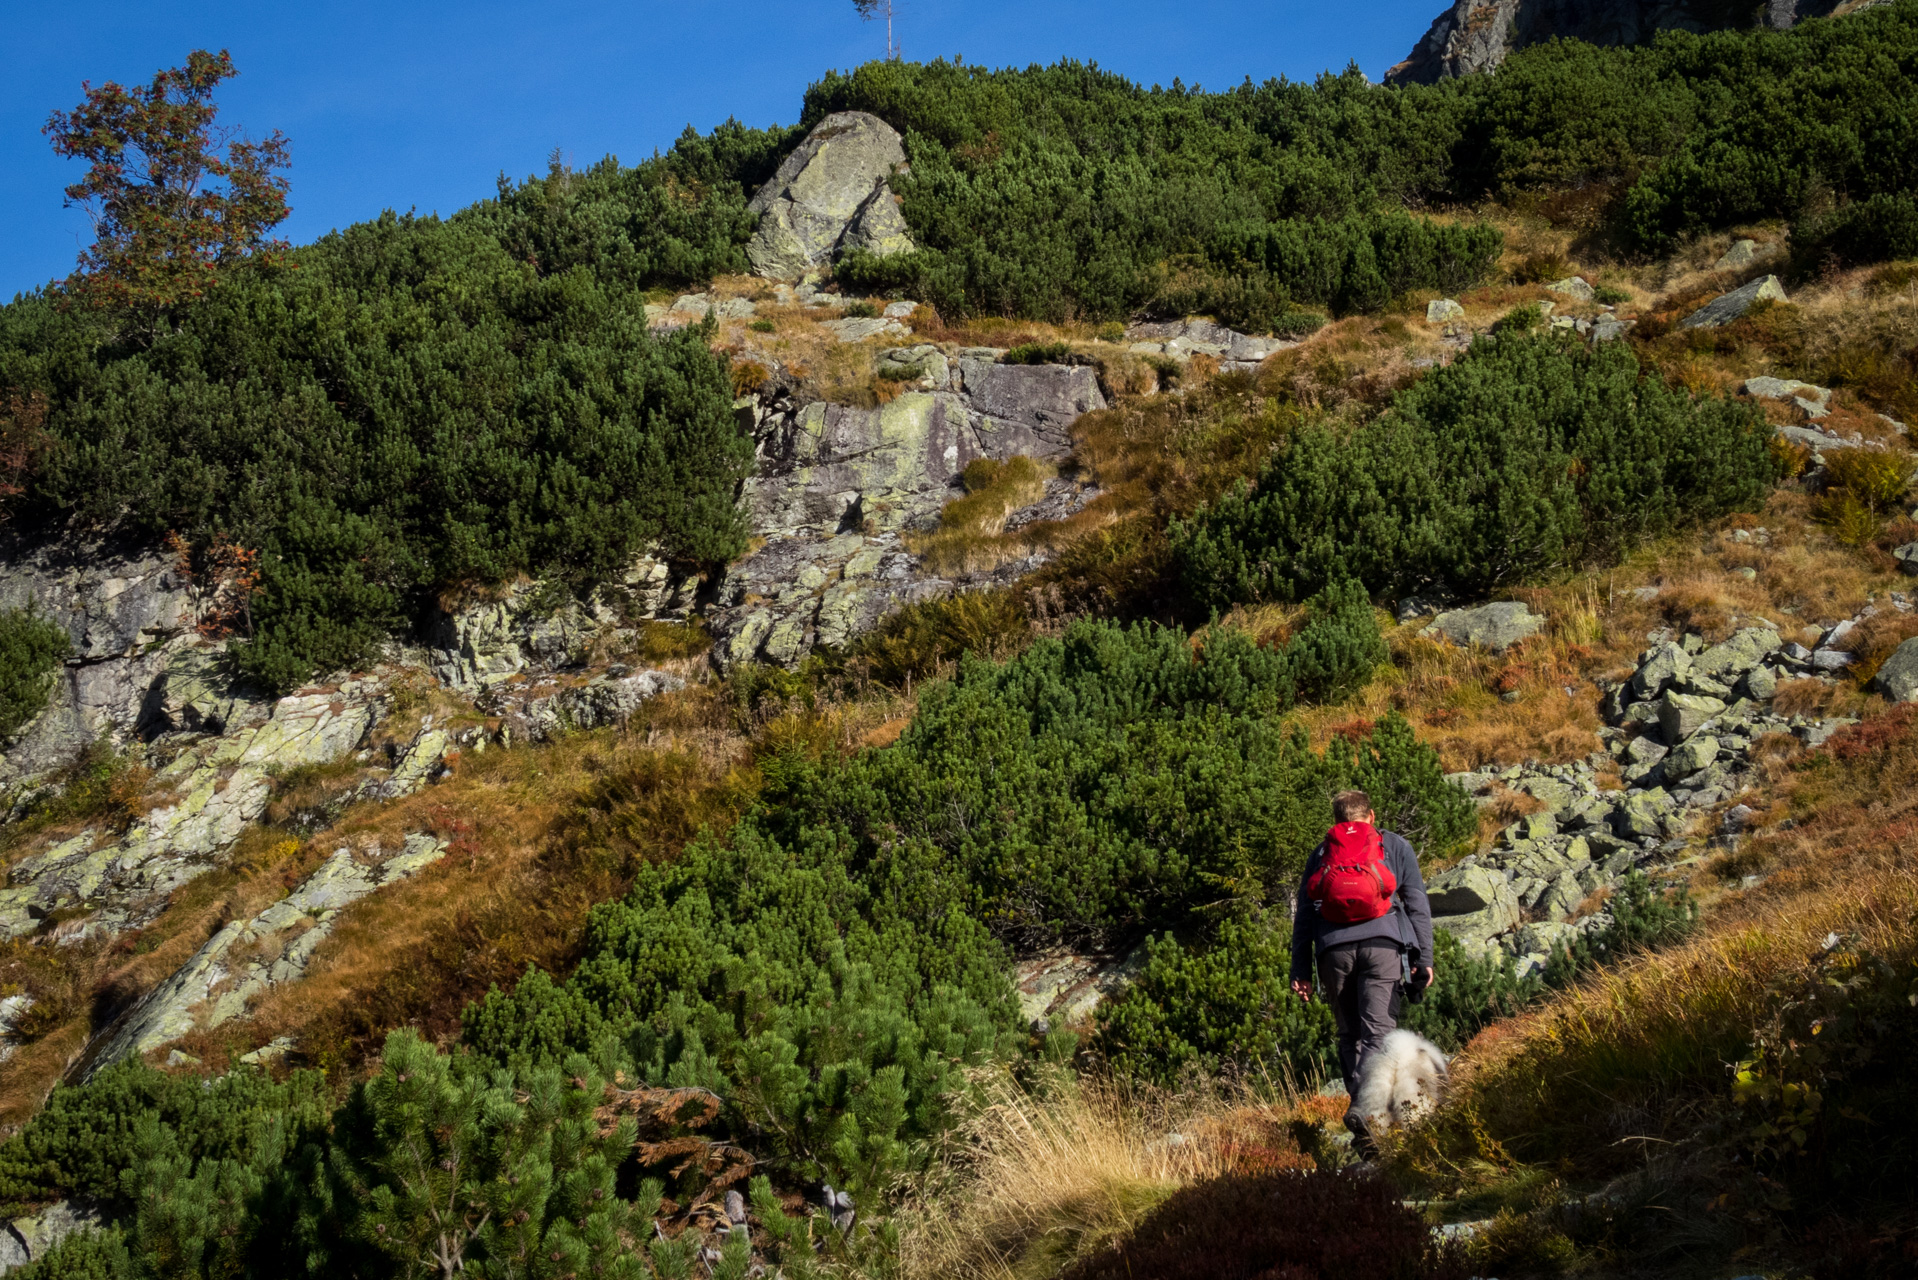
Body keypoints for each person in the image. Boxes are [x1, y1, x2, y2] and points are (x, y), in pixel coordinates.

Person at [1289, 788, 1435, 1157]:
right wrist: (1424, 957)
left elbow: (1305, 914)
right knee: (1380, 1037)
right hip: (1382, 947)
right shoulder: (1394, 845)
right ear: (1371, 816)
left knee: (1348, 1035)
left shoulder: (1322, 853)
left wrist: (1301, 969)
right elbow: (1416, 902)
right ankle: (1372, 1119)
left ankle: (1366, 1130)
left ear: (1337, 820)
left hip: (1332, 951)